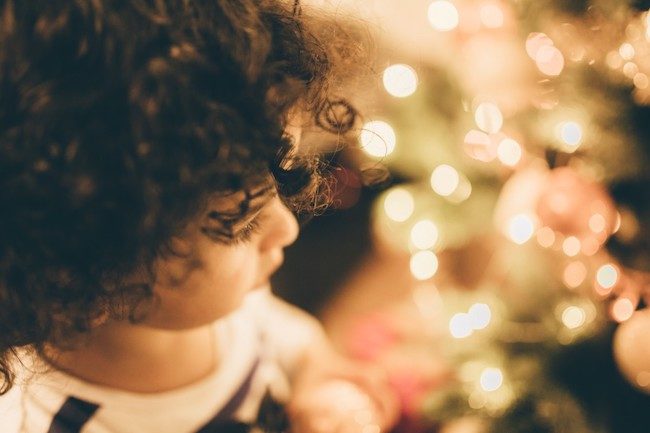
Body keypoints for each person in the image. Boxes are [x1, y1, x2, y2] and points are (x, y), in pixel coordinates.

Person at [0, 1, 399, 432]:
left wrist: (319, 383)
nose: (285, 229)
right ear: (94, 274)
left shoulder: (234, 304)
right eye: (241, 225)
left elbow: (296, 344)